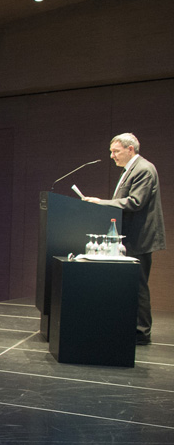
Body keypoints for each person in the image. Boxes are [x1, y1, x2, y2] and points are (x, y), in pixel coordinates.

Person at [82, 132, 165, 344]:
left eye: (115, 151)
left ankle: (141, 333)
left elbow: (135, 202)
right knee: (130, 285)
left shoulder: (144, 169)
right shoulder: (131, 169)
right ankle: (130, 327)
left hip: (140, 238)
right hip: (130, 236)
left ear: (130, 149)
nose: (112, 156)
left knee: (138, 286)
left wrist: (101, 203)